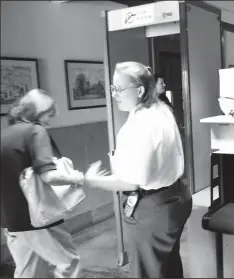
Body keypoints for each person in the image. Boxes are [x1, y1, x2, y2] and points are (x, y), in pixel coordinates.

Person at [82, 62, 192, 278]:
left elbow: (132, 181)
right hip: (174, 198)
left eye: (119, 89)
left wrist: (91, 180)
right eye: (112, 89)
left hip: (153, 207)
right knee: (166, 268)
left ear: (140, 90)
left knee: (146, 271)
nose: (114, 95)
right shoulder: (160, 110)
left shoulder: (143, 123)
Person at [0, 89, 86, 278]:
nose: (51, 119)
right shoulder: (35, 131)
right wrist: (79, 178)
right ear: (37, 113)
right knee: (68, 262)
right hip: (37, 216)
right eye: (49, 114)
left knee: (29, 271)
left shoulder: (5, 134)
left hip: (11, 219)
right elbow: (49, 177)